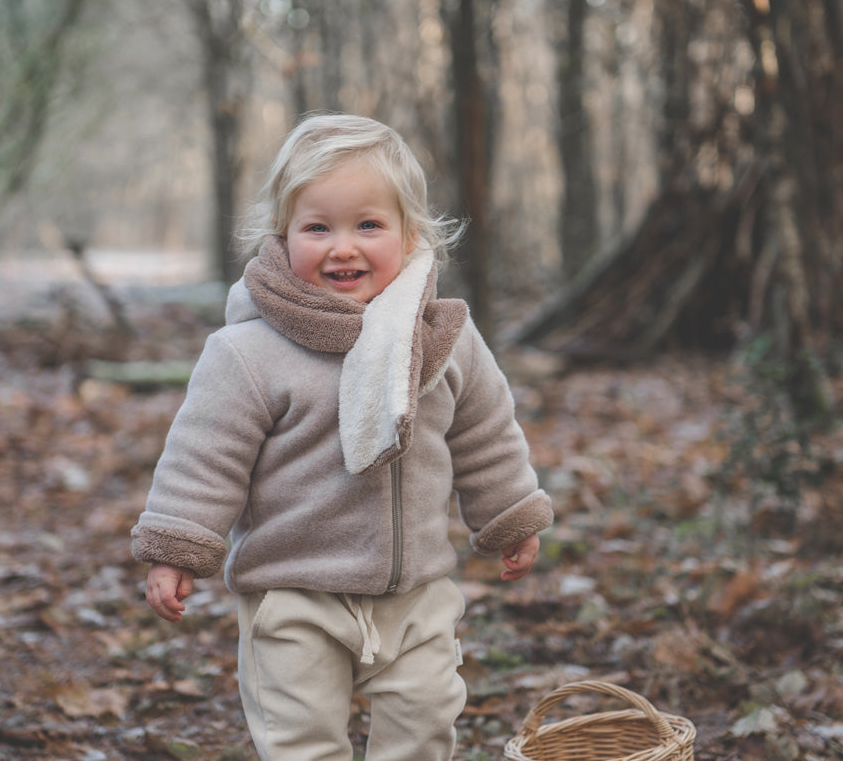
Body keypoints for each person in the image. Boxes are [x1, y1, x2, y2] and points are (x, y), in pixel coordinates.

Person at [131, 112, 553, 761]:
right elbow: (204, 458)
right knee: (299, 740)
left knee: (424, 725)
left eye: (368, 225)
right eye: (318, 227)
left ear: (412, 235)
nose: (343, 247)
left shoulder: (442, 340)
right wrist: (178, 547)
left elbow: (486, 433)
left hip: (413, 593)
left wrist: (508, 515)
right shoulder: (250, 352)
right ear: (283, 235)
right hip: (292, 591)